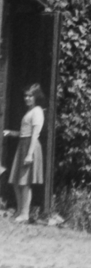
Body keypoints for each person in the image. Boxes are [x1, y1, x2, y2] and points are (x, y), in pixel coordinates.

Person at [4, 84, 46, 223]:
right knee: (17, 181)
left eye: (30, 96)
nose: (27, 98)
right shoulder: (29, 111)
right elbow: (24, 133)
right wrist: (10, 132)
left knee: (24, 182)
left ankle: (25, 214)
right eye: (26, 96)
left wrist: (30, 154)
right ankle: (20, 211)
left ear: (36, 97)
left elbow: (35, 134)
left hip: (30, 146)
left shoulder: (37, 111)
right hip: (23, 144)